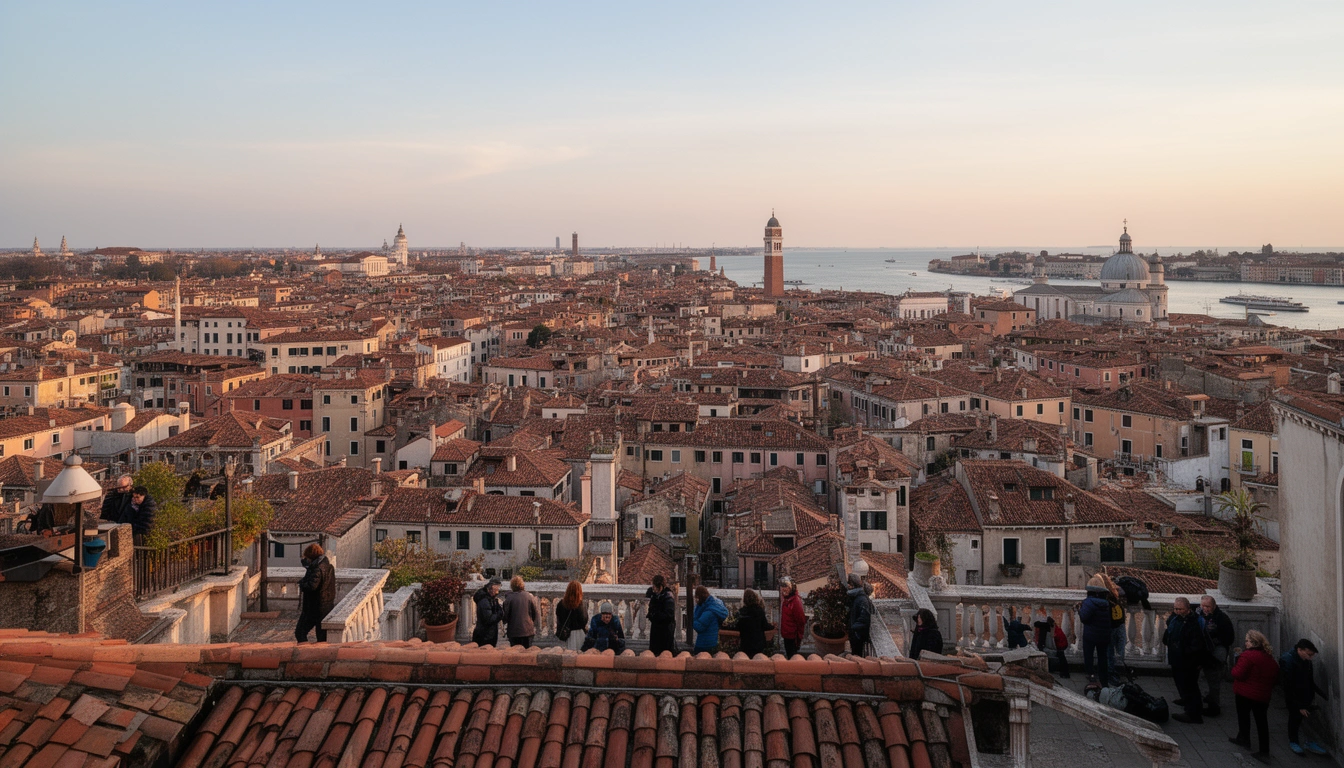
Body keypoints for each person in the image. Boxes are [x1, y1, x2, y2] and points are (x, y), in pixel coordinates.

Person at [1229, 630, 1279, 761]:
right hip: (1263, 695)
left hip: (1245, 693)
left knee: (1244, 717)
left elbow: (1237, 674)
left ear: (1253, 642)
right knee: (1262, 722)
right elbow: (1275, 676)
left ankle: (1244, 739)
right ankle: (1264, 750)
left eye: (1247, 641)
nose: (1245, 643)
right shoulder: (1269, 657)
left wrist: (1235, 665)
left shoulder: (1248, 656)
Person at [1164, 596, 1209, 723]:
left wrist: (1184, 652)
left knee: (1190, 686)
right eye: (1175, 608)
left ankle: (1193, 713)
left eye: (1180, 609)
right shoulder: (1175, 619)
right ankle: (1187, 703)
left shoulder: (1193, 623)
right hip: (1177, 658)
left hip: (1187, 661)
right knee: (1182, 683)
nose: (1177, 611)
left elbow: (1197, 645)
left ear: (1188, 609)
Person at [1281, 638, 1330, 755]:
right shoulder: (1287, 660)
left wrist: (1321, 694)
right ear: (1299, 650)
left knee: (1304, 719)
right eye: (1309, 654)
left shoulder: (1306, 661)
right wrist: (1299, 705)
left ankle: (1306, 741)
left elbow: (1309, 680)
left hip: (1305, 695)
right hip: (1294, 697)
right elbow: (1288, 686)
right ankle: (1294, 741)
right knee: (1295, 718)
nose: (1310, 658)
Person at [1196, 595, 1234, 717]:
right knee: (1207, 677)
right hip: (1204, 652)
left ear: (1214, 606)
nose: (1205, 609)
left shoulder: (1222, 618)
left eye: (1207, 606)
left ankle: (1214, 706)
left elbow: (1229, 638)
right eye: (1203, 606)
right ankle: (1209, 698)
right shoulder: (1199, 615)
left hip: (1216, 654)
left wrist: (1214, 641)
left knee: (1214, 679)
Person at [295, 543, 336, 643]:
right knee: (321, 636)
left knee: (300, 632)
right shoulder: (328, 566)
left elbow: (312, 586)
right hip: (326, 605)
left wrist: (302, 583)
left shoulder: (316, 568)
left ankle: (305, 653)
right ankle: (320, 655)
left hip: (314, 606)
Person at [1078, 575, 1113, 686]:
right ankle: (1104, 680)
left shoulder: (1089, 602)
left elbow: (1084, 618)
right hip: (1104, 635)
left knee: (1089, 656)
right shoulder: (1106, 603)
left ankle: (1091, 676)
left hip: (1091, 635)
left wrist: (1079, 609)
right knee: (1103, 657)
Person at [1101, 573, 1128, 685]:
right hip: (1117, 625)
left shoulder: (1108, 592)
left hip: (1113, 625)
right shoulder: (1115, 591)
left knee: (1111, 651)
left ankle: (1113, 672)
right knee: (1116, 650)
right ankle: (1115, 672)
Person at [502, 575, 540, 648]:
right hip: (527, 629)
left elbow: (505, 615)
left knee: (515, 652)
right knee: (527, 651)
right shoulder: (529, 596)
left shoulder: (509, 598)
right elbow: (535, 612)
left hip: (514, 631)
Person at [646, 574, 677, 656]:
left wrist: (655, 615)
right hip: (656, 630)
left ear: (660, 587)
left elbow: (668, 616)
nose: (653, 588)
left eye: (655, 586)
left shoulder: (668, 598)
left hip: (665, 632)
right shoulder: (655, 596)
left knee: (665, 654)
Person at [692, 586, 728, 653]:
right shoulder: (715, 605)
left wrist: (692, 621)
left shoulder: (709, 612)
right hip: (713, 640)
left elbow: (699, 627)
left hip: (705, 643)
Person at [555, 580, 588, 651]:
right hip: (579, 634)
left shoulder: (561, 604)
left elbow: (559, 617)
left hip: (566, 634)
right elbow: (584, 620)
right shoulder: (581, 604)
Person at [737, 588, 770, 657]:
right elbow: (765, 626)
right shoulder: (759, 611)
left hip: (745, 643)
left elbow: (737, 626)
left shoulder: (741, 612)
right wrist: (773, 626)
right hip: (758, 643)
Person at [778, 576, 806, 659]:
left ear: (792, 588)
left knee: (793, 658)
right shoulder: (787, 599)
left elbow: (801, 620)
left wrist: (798, 637)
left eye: (786, 586)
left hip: (793, 637)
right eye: (782, 587)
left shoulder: (795, 601)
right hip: (786, 634)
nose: (783, 589)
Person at [847, 573, 874, 656]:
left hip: (858, 636)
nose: (848, 586)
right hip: (855, 634)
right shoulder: (857, 597)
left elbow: (864, 618)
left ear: (852, 585)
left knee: (857, 655)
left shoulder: (862, 599)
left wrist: (853, 629)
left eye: (849, 584)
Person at [471, 578, 504, 646]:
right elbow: (489, 619)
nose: (498, 592)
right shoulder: (485, 601)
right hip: (485, 636)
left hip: (487, 635)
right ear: (492, 588)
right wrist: (500, 614)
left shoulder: (490, 599)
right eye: (497, 589)